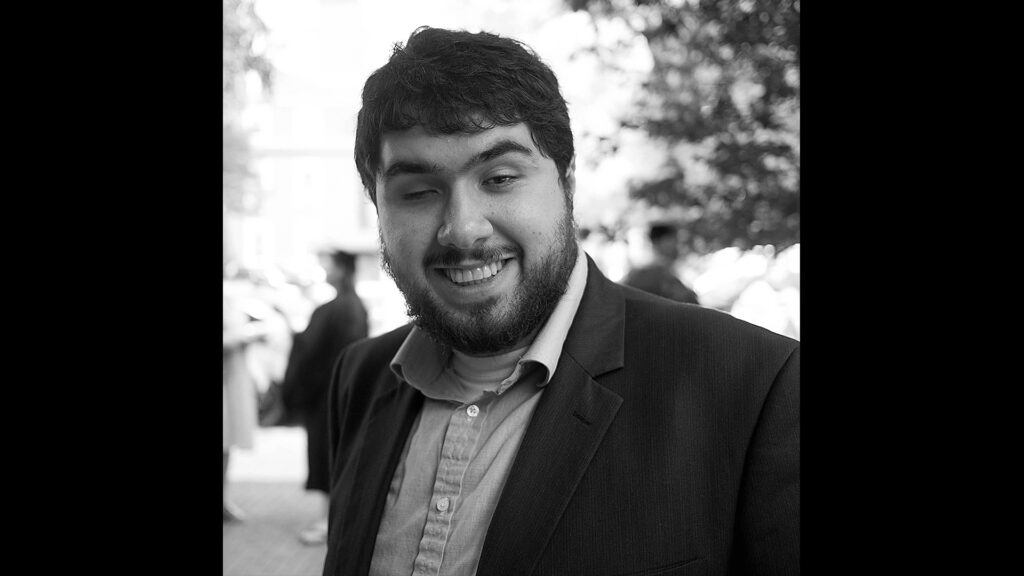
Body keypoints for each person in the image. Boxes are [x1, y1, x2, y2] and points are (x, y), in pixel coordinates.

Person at [321, 26, 799, 575]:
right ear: (377, 206)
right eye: (419, 192)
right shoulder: (359, 380)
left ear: (568, 182)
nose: (462, 229)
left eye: (499, 177)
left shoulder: (754, 388)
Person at [281, 249, 369, 545]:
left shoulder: (341, 308)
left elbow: (315, 354)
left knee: (329, 454)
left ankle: (331, 520)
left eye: (329, 265)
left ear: (343, 269)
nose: (325, 270)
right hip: (335, 391)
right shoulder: (351, 306)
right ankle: (330, 518)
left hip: (328, 394)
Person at [222, 273, 269, 523]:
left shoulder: (231, 298)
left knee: (227, 445)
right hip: (227, 382)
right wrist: (246, 336)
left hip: (232, 381)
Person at [620, 223, 701, 304]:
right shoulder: (646, 275)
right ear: (661, 241)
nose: (679, 246)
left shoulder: (667, 272)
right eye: (675, 240)